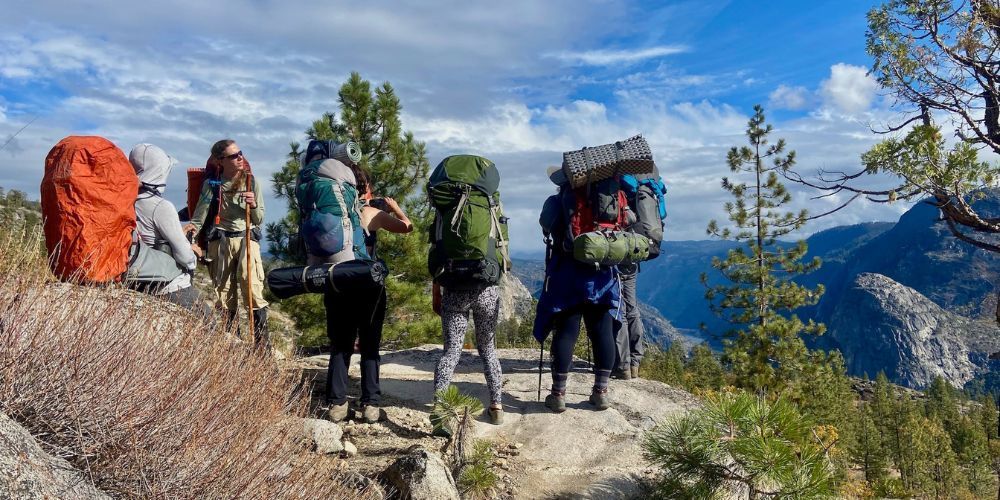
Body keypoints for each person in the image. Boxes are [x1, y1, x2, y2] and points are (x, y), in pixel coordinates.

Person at [322, 165, 412, 424]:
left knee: (340, 345)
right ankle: (370, 405)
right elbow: (408, 227)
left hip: (336, 283)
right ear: (366, 189)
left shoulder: (330, 212)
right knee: (370, 346)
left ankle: (337, 405)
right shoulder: (372, 212)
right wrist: (394, 207)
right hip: (368, 287)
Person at [534, 169, 622, 413]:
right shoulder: (608, 199)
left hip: (567, 274)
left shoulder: (558, 200)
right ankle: (601, 393)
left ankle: (559, 395)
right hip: (603, 275)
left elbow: (545, 226)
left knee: (566, 332)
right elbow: (630, 221)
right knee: (603, 332)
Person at [186, 139, 269, 349]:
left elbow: (258, 219)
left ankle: (262, 348)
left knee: (253, 292)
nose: (240, 157)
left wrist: (254, 204)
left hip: (246, 239)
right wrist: (190, 235)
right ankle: (234, 347)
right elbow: (199, 217)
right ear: (220, 161)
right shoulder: (211, 186)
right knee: (224, 296)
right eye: (233, 155)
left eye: (240, 153)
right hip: (220, 241)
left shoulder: (251, 182)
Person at [129, 143, 210, 318]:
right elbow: (184, 256)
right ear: (160, 171)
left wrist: (177, 232)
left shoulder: (124, 201)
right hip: (165, 284)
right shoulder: (160, 206)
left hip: (134, 279)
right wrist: (193, 253)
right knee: (209, 322)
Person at [612, 263, 645, 379]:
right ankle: (634, 364)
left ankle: (623, 366)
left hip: (614, 265)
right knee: (632, 311)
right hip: (632, 265)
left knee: (621, 313)